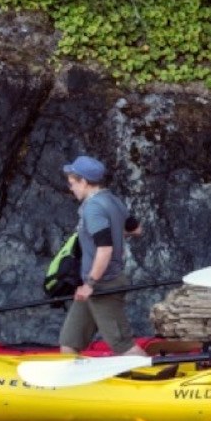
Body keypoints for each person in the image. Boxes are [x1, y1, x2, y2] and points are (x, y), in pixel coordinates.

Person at [57, 155, 153, 362]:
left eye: (72, 183)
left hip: (103, 286)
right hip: (93, 287)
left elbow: (105, 249)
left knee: (124, 347)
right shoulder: (112, 200)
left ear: (83, 181)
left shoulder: (93, 208)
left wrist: (90, 284)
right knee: (69, 342)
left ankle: (159, 381)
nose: (70, 188)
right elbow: (136, 229)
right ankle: (79, 387)